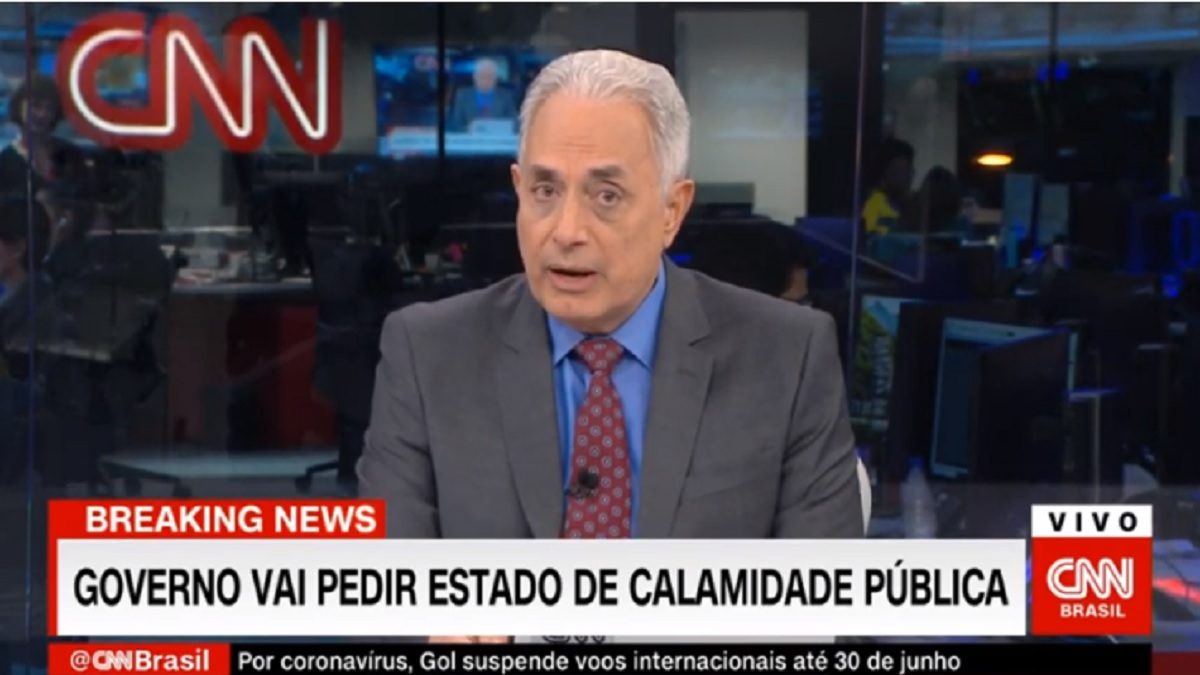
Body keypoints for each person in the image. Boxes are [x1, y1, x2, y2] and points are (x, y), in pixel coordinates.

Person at [358, 49, 862, 638]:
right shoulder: (427, 354)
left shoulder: (787, 356)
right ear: (518, 190)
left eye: (606, 196)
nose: (566, 231)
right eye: (545, 190)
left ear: (672, 210)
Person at [0, 74, 83, 202]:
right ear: (19, 106)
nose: (42, 114)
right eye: (36, 105)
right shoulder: (5, 163)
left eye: (49, 108)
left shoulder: (71, 154)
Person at [860, 137, 914, 236]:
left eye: (909, 171)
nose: (908, 177)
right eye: (901, 171)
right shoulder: (874, 204)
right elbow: (870, 238)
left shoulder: (910, 206)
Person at [447, 57, 517, 132]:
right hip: (470, 138)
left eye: (489, 76)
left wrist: (499, 129)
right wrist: (467, 129)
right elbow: (454, 124)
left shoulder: (506, 96)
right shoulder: (463, 95)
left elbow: (515, 124)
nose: (485, 80)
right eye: (482, 76)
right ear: (475, 77)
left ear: (495, 78)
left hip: (497, 138)